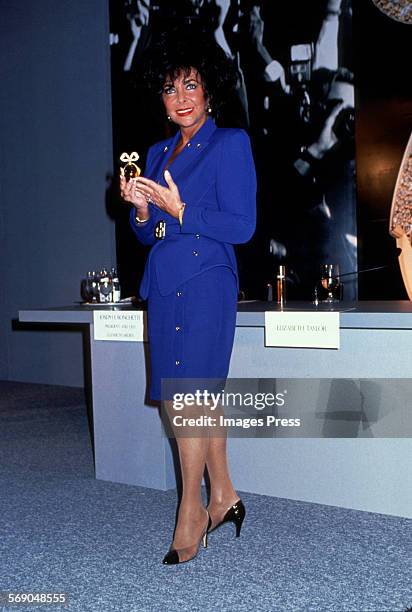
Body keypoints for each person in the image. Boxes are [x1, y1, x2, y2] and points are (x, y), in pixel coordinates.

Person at [120, 34, 256, 565]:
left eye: (190, 85)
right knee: (198, 397)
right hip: (164, 285)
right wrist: (140, 209)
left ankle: (191, 509)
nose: (179, 97)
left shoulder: (230, 144)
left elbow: (241, 226)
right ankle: (224, 496)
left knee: (186, 398)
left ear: (210, 92)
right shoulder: (156, 152)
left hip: (205, 284)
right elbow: (148, 235)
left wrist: (179, 212)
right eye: (169, 88)